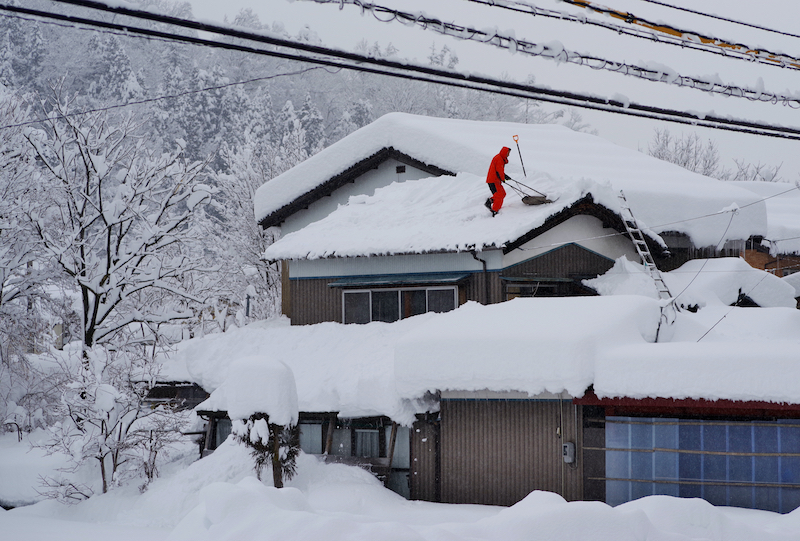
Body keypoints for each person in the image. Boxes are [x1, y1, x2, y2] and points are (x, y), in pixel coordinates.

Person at [484, 146, 511, 217]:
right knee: (499, 196)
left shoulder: (500, 158)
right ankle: (494, 211)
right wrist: (503, 178)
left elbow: (499, 171)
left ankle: (490, 201)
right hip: (493, 180)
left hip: (495, 180)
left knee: (503, 193)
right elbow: (499, 171)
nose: (509, 155)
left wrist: (505, 176)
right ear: (505, 152)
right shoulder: (499, 159)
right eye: (508, 153)